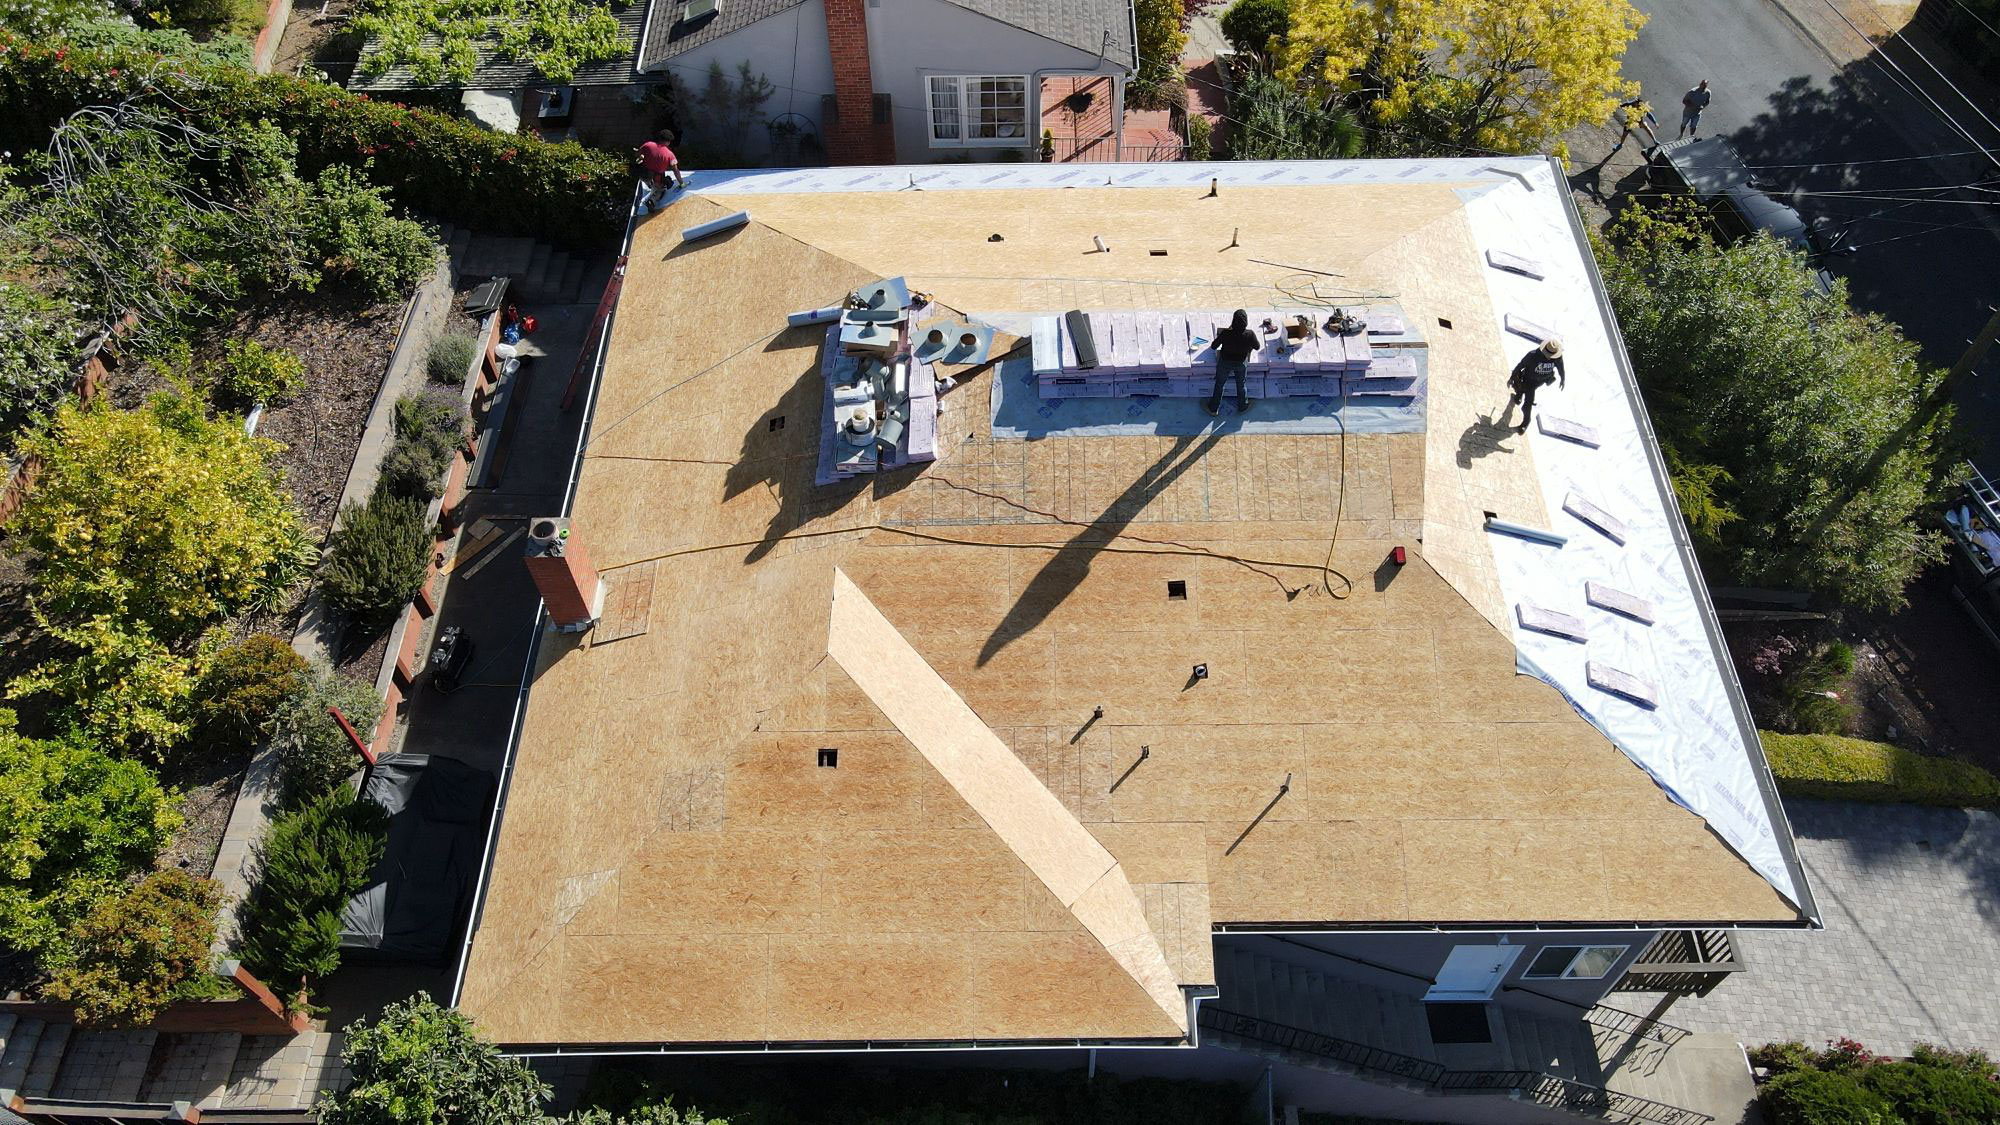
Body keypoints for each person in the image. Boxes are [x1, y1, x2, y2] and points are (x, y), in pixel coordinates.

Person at [1206, 309, 1258, 417]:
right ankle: (1242, 406)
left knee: (1220, 384)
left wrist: (1228, 333)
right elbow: (1257, 347)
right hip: (1241, 363)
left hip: (1225, 362)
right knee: (1241, 384)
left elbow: (1213, 346)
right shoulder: (1250, 334)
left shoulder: (1226, 334)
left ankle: (1213, 408)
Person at [1508, 338, 1565, 434]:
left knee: (1527, 402)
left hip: (1540, 382)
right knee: (1522, 393)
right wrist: (1512, 376)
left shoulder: (1557, 358)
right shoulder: (1532, 355)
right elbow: (1521, 365)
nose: (1549, 357)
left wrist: (1563, 379)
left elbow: (1560, 368)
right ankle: (1518, 397)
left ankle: (1525, 423)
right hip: (1527, 378)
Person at [636, 130, 685, 213]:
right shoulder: (670, 154)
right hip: (656, 178)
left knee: (650, 180)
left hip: (643, 175)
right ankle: (652, 200)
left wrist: (642, 158)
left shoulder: (648, 145)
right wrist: (681, 183)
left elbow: (637, 154)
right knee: (663, 186)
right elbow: (676, 171)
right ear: (668, 142)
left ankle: (651, 186)